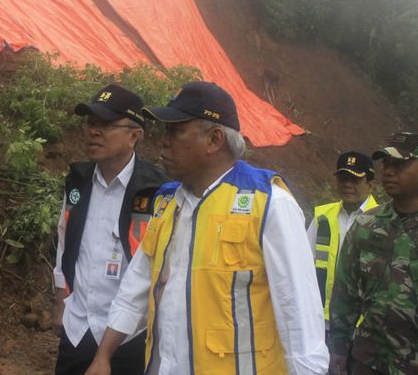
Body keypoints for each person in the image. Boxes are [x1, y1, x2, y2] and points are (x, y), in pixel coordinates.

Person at [86, 81, 329, 375]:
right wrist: (104, 355)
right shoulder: (167, 202)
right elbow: (137, 286)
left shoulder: (269, 203)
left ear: (214, 140)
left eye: (175, 131)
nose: (163, 141)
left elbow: (298, 316)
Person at [53, 83, 168, 375]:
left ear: (134, 136)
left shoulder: (157, 191)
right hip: (77, 329)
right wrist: (61, 305)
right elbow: (64, 244)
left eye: (105, 125)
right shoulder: (77, 181)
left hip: (131, 338)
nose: (94, 131)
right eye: (91, 124)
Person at [329, 133, 418, 375]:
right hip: (368, 364)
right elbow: (345, 294)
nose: (388, 171)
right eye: (386, 164)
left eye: (400, 164)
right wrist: (338, 347)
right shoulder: (366, 225)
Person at [307, 152, 378, 330]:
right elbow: (303, 265)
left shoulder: (384, 221)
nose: (347, 185)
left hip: (363, 325)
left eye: (354, 180)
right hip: (319, 320)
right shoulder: (322, 217)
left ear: (370, 185)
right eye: (343, 179)